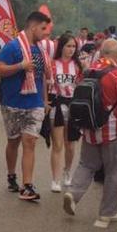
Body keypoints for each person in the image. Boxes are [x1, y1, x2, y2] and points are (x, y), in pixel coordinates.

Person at [63, 40, 117, 228]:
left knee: (86, 164)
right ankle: (107, 212)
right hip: (111, 129)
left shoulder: (89, 71)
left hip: (89, 127)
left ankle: (74, 193)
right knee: (113, 170)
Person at [0, 11, 52, 201]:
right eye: (43, 29)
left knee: (30, 142)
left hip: (34, 102)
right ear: (33, 26)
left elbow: (42, 76)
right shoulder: (11, 47)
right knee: (14, 141)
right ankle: (11, 175)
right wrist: (20, 66)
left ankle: (27, 185)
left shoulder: (41, 50)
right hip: (12, 102)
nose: (46, 33)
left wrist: (44, 100)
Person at [48, 33, 82, 191]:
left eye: (73, 46)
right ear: (61, 46)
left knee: (71, 144)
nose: (71, 49)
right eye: (68, 46)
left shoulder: (78, 65)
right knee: (57, 144)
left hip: (73, 106)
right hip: (57, 105)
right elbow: (46, 83)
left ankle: (67, 172)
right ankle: (55, 179)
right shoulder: (53, 64)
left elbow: (81, 85)